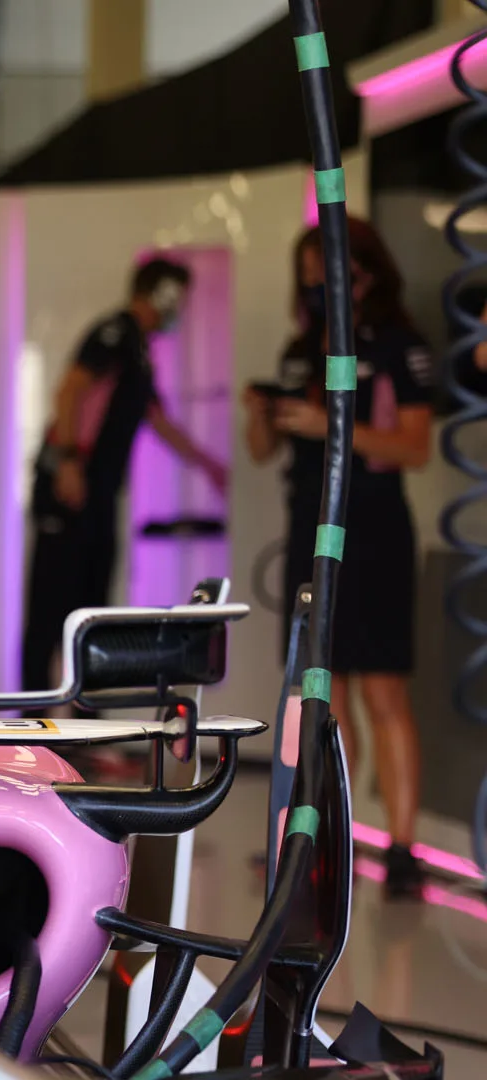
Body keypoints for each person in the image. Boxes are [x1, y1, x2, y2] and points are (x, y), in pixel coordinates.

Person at [244, 218, 433, 899]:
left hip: (374, 528)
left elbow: (415, 447)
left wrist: (331, 426)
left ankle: (403, 849)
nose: (317, 286)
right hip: (309, 528)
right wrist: (262, 413)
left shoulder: (400, 346)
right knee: (324, 694)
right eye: (308, 276)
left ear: (365, 272)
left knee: (383, 689)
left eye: (327, 271)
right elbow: (262, 451)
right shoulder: (300, 351)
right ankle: (336, 840)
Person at [20, 259, 228, 702]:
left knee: (93, 613)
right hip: (69, 490)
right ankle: (30, 725)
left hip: (99, 496)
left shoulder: (138, 351)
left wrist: (210, 466)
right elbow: (70, 390)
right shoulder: (113, 334)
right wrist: (69, 462)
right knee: (48, 613)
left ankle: (88, 723)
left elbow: (159, 420)